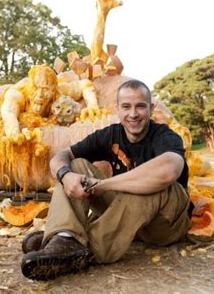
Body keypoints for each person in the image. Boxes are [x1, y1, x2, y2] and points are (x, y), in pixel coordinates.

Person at [20, 79, 191, 280]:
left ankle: (82, 249)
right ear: (117, 109)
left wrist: (103, 185)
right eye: (126, 107)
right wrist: (66, 176)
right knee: (76, 165)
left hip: (164, 225)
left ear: (151, 109)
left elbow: (169, 171)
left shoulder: (165, 136)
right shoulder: (110, 134)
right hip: (127, 218)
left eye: (140, 106)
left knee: (152, 186)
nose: (133, 114)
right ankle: (64, 237)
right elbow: (59, 157)